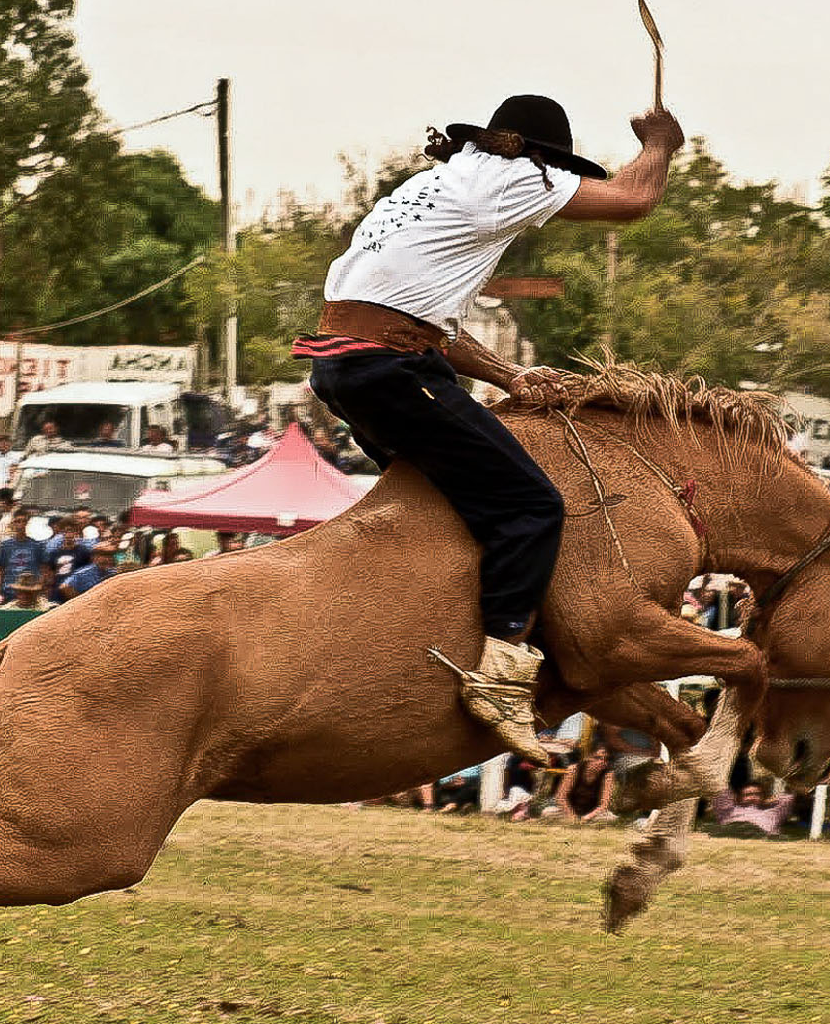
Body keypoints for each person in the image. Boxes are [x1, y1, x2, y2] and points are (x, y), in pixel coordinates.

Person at [292, 94, 683, 761]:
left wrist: (511, 376)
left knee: (452, 511)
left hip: (354, 366)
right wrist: (660, 145)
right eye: (558, 176)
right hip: (389, 367)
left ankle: (422, 628)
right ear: (543, 159)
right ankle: (499, 675)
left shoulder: (432, 188)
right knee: (531, 505)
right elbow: (633, 200)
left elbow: (427, 327)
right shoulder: (514, 177)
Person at [555, 742, 616, 823]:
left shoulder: (608, 774)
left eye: (605, 760)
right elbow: (560, 797)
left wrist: (587, 817)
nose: (601, 762)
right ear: (589, 757)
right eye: (597, 758)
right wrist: (572, 817)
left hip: (592, 813)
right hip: (570, 810)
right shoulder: (574, 769)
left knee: (611, 818)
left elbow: (604, 805)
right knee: (547, 812)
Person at [708, 781, 796, 837]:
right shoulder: (731, 810)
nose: (752, 797)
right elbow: (720, 793)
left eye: (757, 794)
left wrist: (767, 801)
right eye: (748, 795)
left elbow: (789, 799)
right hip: (734, 828)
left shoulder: (773, 812)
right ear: (740, 797)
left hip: (759, 832)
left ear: (763, 796)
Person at [0, 513, 47, 602]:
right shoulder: (4, 546)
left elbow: (43, 570)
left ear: (27, 524)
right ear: (13, 524)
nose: (21, 524)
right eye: (18, 521)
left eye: (23, 521)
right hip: (8, 591)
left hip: (30, 591)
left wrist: (40, 590)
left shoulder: (36, 546)